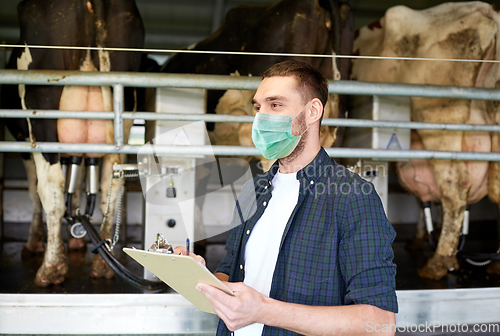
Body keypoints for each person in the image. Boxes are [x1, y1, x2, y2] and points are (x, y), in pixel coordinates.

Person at [175, 60, 398, 335]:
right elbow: (232, 275)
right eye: (258, 107)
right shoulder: (252, 190)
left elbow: (380, 324)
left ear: (313, 111)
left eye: (275, 105)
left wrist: (265, 311)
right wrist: (197, 277)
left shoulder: (353, 197)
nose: (261, 117)